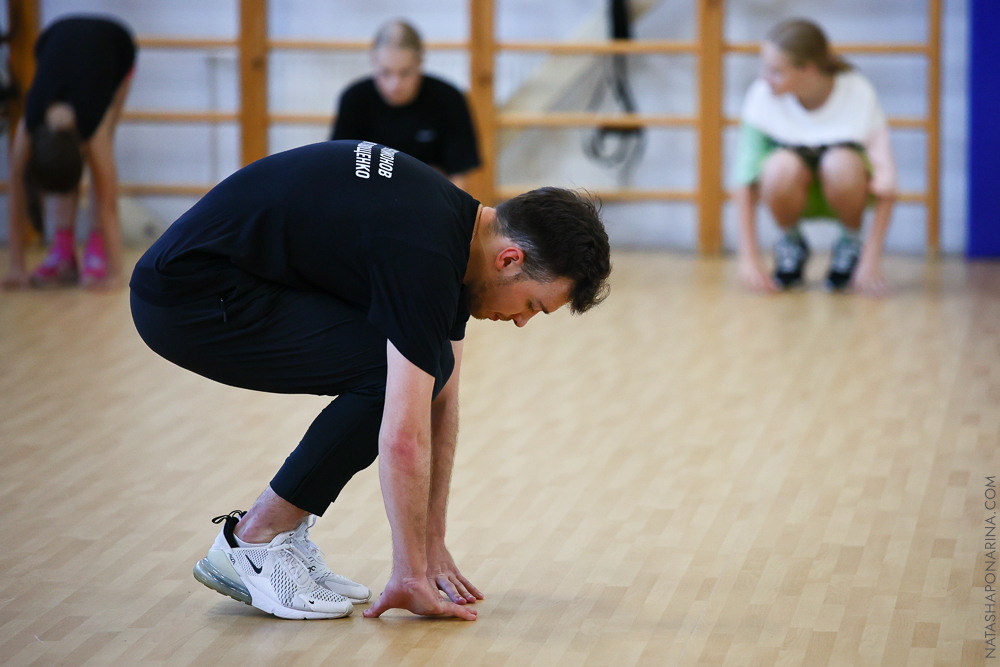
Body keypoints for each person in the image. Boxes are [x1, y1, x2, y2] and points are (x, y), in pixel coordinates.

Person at [129, 139, 611, 621]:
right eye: (532, 305)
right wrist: (408, 574)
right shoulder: (424, 255)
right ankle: (255, 541)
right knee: (385, 375)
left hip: (233, 279)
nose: (523, 321)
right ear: (510, 260)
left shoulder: (456, 229)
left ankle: (274, 535)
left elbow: (441, 402)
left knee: (426, 368)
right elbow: (404, 435)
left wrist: (430, 545)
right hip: (186, 298)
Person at [733, 18, 897, 296]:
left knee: (841, 163)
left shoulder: (857, 92)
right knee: (778, 167)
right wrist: (748, 257)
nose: (765, 78)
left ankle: (850, 243)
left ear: (808, 70)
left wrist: (872, 260)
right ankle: (791, 242)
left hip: (847, 190)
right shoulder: (761, 97)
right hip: (792, 191)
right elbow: (744, 179)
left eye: (776, 71)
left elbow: (887, 184)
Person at [2, 15, 136, 290]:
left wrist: (116, 274)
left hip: (115, 44)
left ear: (82, 146)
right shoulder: (29, 125)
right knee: (61, 164)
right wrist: (16, 268)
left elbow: (109, 203)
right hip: (55, 39)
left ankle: (96, 248)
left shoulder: (93, 129)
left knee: (103, 162)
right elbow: (16, 193)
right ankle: (63, 251)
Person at [329, 19, 480, 191]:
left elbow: (458, 179)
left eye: (405, 73)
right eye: (385, 73)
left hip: (429, 200)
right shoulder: (354, 99)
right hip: (368, 200)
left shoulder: (449, 99)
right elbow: (341, 169)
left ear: (419, 62)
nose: (395, 84)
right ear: (373, 61)